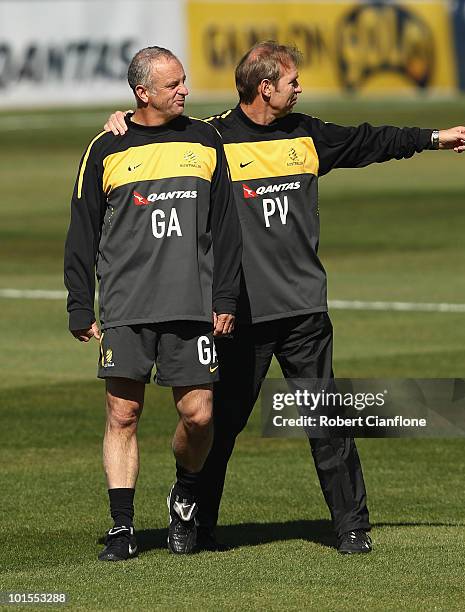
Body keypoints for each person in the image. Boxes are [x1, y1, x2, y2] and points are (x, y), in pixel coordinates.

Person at [105, 41, 465, 554]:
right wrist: (121, 122)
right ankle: (195, 518)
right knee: (221, 423)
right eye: (292, 81)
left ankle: (351, 526)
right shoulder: (211, 139)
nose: (300, 88)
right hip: (237, 314)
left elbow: (369, 141)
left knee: (327, 420)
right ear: (266, 87)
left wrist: (434, 137)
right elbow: (155, 132)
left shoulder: (307, 134)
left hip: (304, 308)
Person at [65, 46, 241, 561]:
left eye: (183, 82)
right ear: (142, 93)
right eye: (172, 85)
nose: (184, 91)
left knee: (200, 414)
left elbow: (227, 228)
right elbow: (82, 231)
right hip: (127, 304)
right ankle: (123, 529)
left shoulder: (206, 139)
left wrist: (225, 294)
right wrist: (80, 303)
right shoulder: (106, 147)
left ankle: (185, 494)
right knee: (123, 414)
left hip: (192, 303)